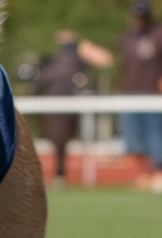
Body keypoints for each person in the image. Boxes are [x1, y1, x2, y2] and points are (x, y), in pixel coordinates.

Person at [36, 30, 113, 185]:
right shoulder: (52, 63)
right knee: (58, 140)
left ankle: (61, 174)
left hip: (73, 108)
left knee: (65, 140)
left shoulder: (79, 60)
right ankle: (59, 174)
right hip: (55, 106)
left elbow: (106, 60)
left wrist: (86, 48)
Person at [118, 0, 162, 192]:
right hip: (131, 94)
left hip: (154, 94)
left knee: (156, 135)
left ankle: (160, 173)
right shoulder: (127, 38)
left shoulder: (161, 35)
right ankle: (143, 176)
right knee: (134, 138)